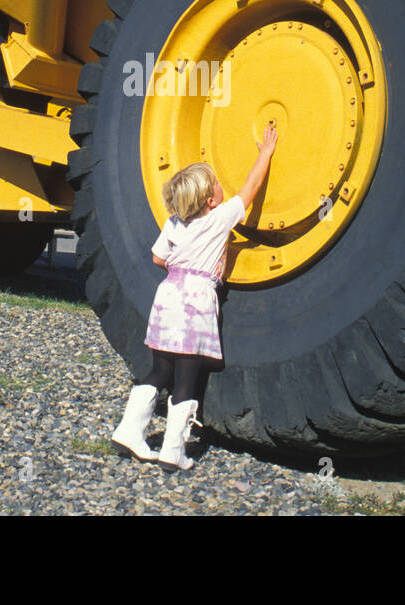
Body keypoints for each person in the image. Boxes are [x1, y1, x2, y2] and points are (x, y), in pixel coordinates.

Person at [109, 124, 279, 471]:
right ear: (210, 200)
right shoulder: (218, 221)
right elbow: (251, 188)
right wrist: (265, 153)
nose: (222, 185)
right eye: (217, 183)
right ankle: (174, 450)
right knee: (186, 380)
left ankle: (129, 431)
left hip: (167, 296)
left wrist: (181, 261)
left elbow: (158, 258)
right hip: (195, 303)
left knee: (159, 371)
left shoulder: (174, 223)